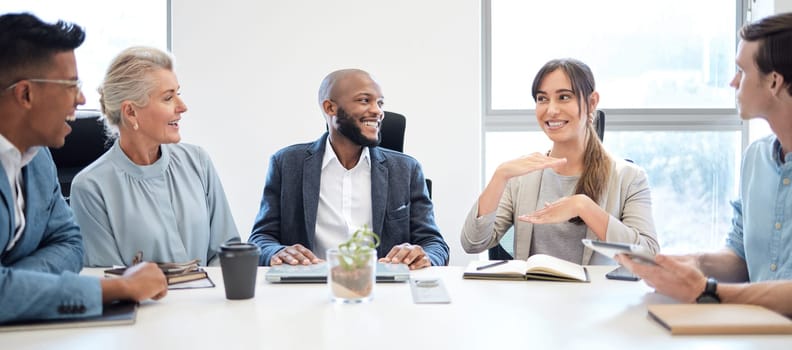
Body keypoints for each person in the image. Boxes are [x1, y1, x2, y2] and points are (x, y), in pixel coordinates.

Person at [619, 12, 792, 316]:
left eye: (741, 71)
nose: (732, 81)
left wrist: (706, 291)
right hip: (756, 331)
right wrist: (689, 263)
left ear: (774, 82)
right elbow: (740, 258)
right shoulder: (756, 159)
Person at [0, 13, 167, 323]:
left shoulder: (38, 159)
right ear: (25, 94)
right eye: (70, 85)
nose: (82, 98)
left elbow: (70, 243)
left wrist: (12, 283)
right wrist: (120, 287)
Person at [461, 58, 659, 265]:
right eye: (542, 99)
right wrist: (500, 176)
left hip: (598, 297)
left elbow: (648, 256)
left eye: (564, 97)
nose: (551, 110)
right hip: (531, 296)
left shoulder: (629, 177)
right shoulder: (521, 177)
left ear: (592, 103)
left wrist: (583, 206)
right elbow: (472, 243)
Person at [248, 68, 449, 270]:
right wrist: (276, 252)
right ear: (330, 108)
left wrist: (424, 256)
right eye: (364, 100)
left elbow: (435, 244)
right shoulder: (287, 163)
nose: (378, 111)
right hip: (309, 286)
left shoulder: (406, 169)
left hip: (385, 287)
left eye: (380, 103)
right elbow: (261, 238)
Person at [70, 46, 240, 267]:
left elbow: (228, 252)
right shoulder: (90, 187)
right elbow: (110, 280)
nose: (183, 107)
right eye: (168, 98)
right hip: (144, 303)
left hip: (210, 300)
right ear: (131, 112)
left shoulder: (198, 161)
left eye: (178, 94)